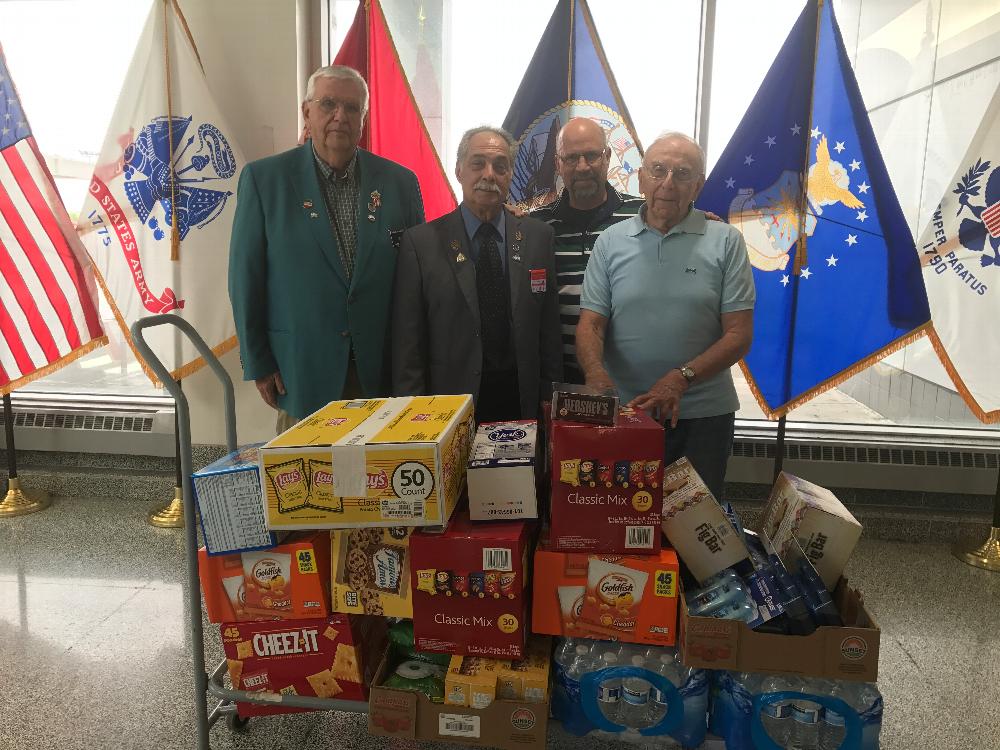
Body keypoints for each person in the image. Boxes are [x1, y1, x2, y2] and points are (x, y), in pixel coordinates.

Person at [229, 65, 425, 432]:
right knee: (305, 484)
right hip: (301, 372)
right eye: (329, 104)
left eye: (352, 108)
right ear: (307, 112)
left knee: (376, 484)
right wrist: (259, 363)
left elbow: (418, 280)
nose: (340, 116)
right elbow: (245, 279)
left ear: (363, 118)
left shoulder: (400, 183)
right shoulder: (265, 181)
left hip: (381, 375)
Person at [576, 132, 755, 501]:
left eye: (682, 173)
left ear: (698, 186)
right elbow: (591, 323)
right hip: (626, 413)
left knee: (695, 534)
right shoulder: (610, 241)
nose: (668, 184)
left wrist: (680, 379)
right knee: (622, 521)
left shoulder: (726, 241)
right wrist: (595, 375)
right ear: (641, 178)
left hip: (703, 417)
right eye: (658, 171)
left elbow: (738, 335)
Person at [392, 126, 562, 423]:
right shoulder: (420, 244)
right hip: (449, 407)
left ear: (510, 175)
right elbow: (408, 347)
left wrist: (551, 405)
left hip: (521, 403)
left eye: (500, 166)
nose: (488, 174)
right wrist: (411, 418)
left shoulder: (538, 237)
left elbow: (548, 334)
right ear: (459, 170)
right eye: (477, 163)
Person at [531, 117, 720, 383]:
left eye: (592, 155)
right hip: (559, 377)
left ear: (607, 157)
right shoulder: (536, 227)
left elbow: (683, 221)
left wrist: (701, 222)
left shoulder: (643, 214)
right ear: (558, 164)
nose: (583, 166)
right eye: (572, 158)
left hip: (630, 381)